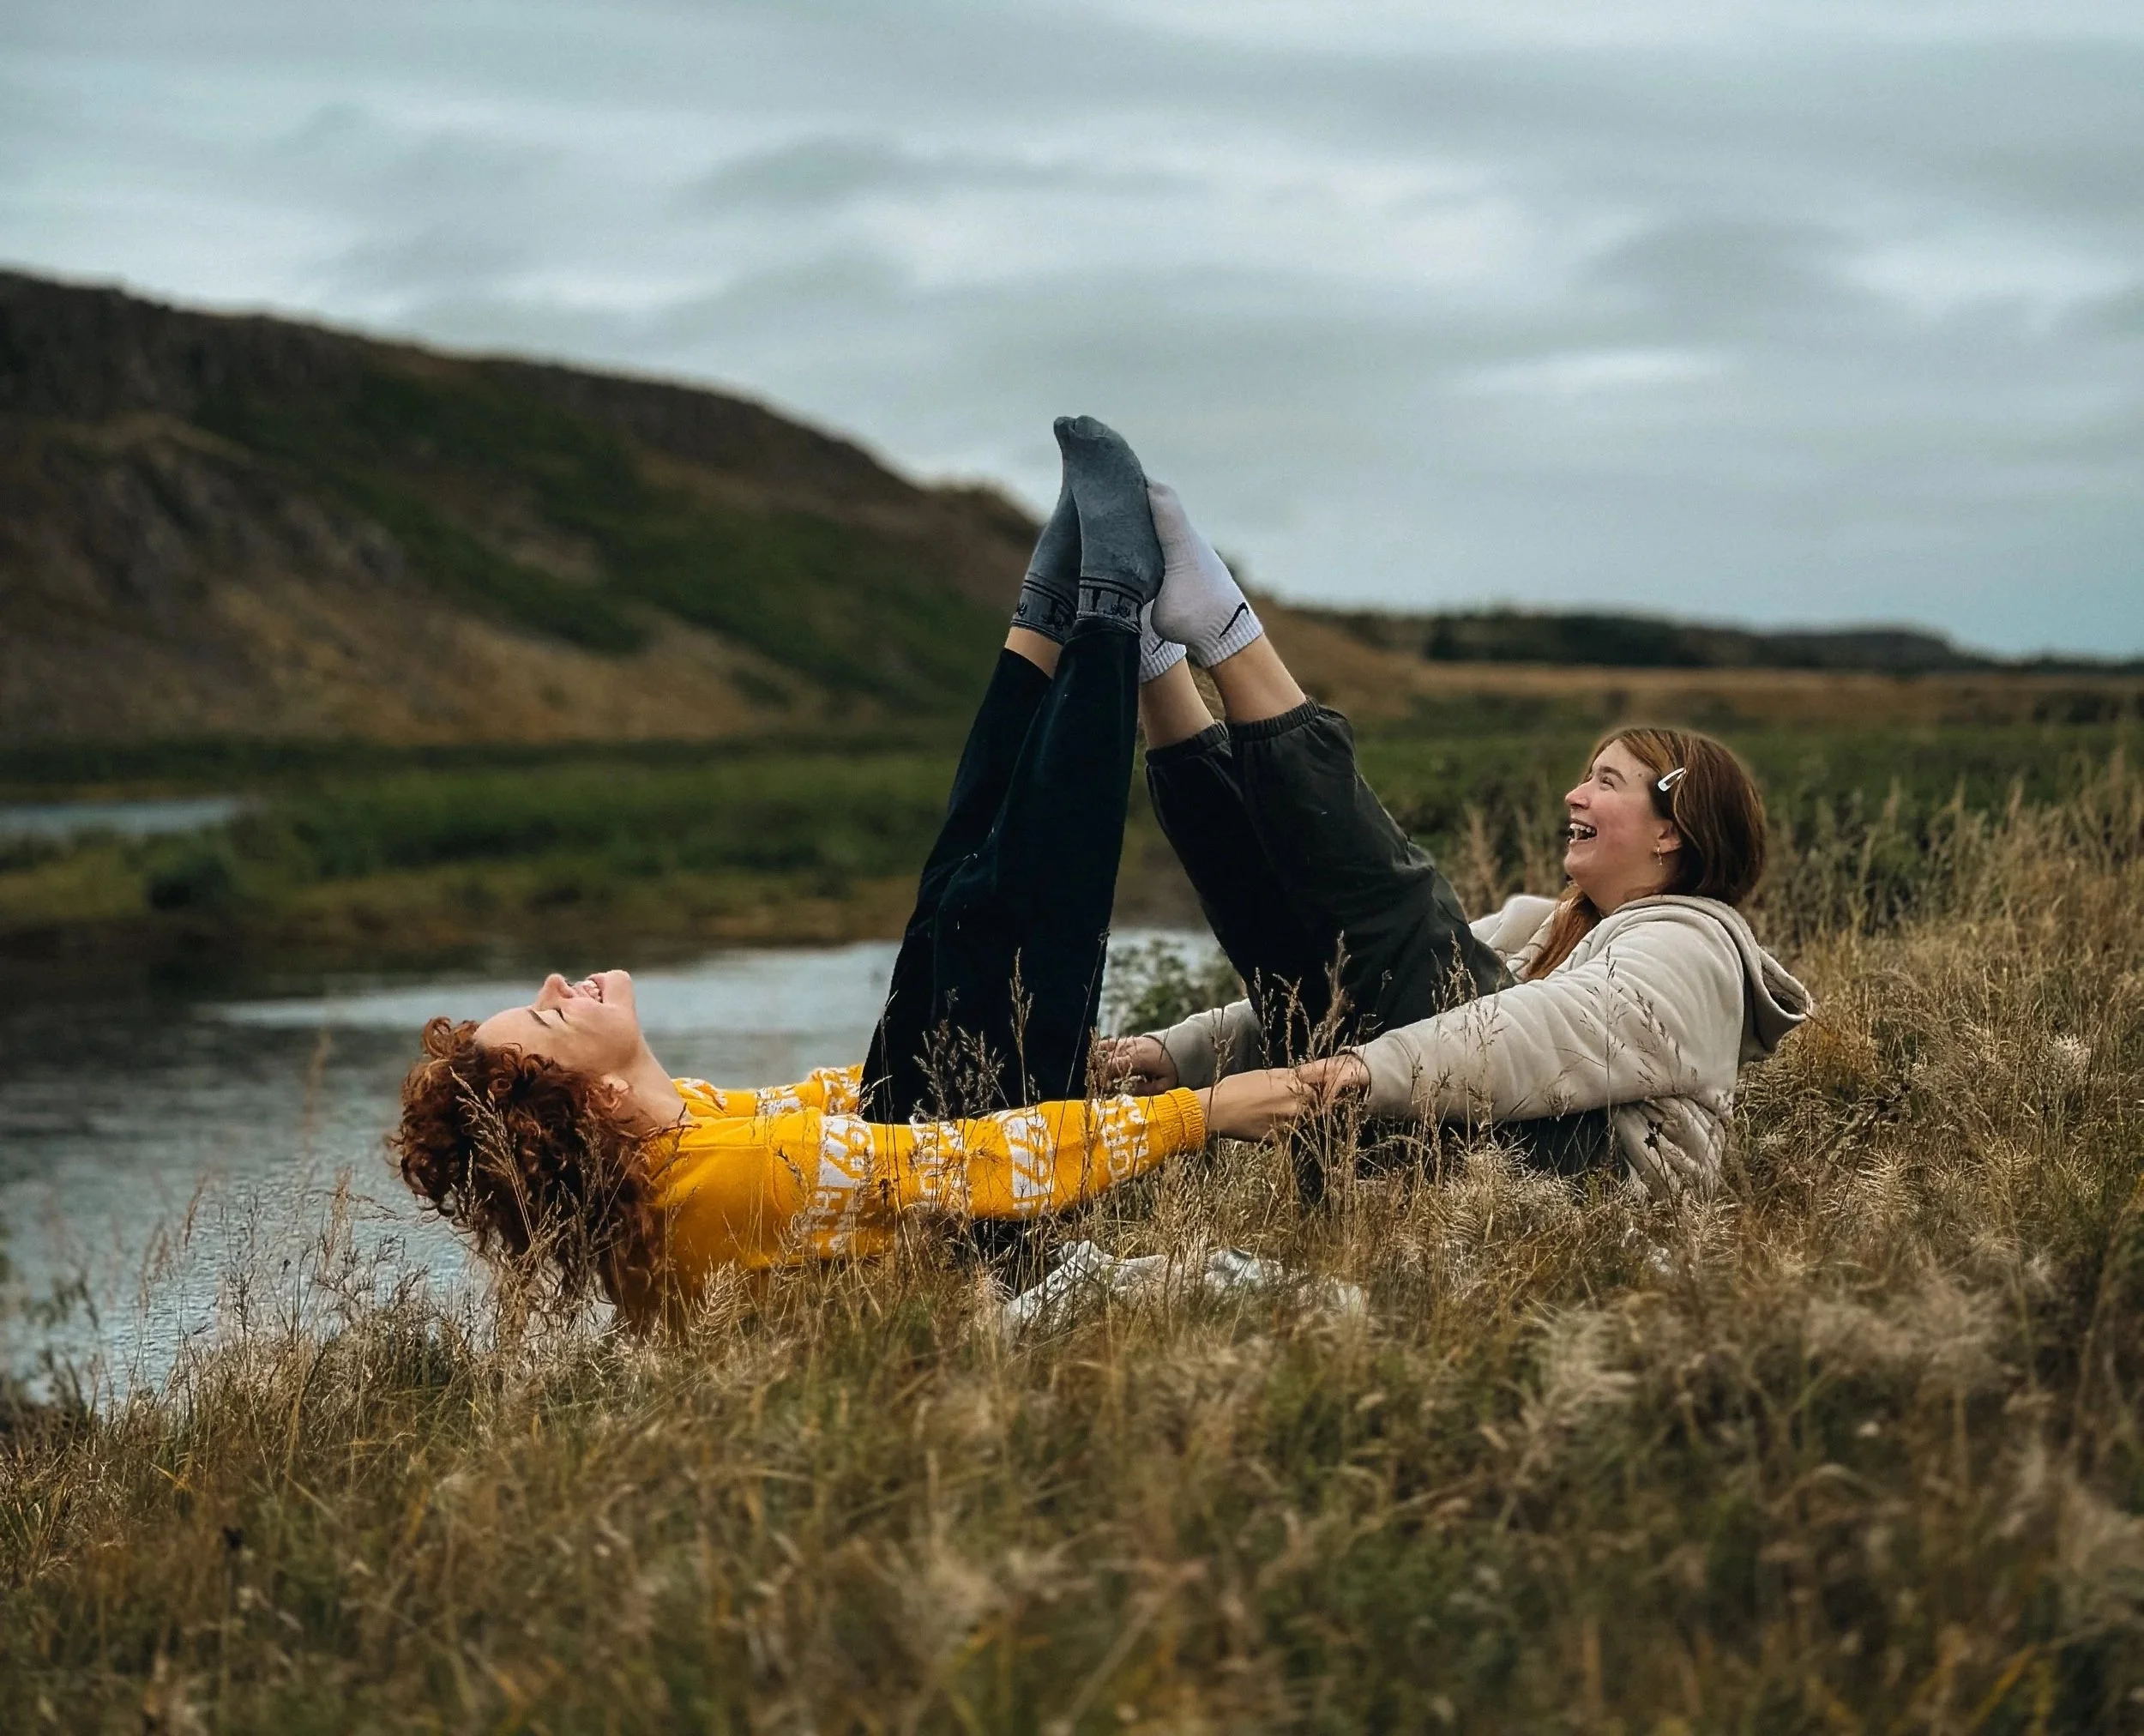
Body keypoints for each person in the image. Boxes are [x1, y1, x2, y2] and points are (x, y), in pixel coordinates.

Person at [392, 418, 1281, 1323]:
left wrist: (1080, 1070)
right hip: (995, 1281)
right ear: (601, 1094)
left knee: (945, 924)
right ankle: (1099, 616)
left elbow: (832, 1102)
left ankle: (1049, 628)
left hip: (952, 1232)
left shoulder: (681, 1130)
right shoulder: (713, 1186)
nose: (554, 980)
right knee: (1011, 923)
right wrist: (1203, 1111)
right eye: (548, 1012)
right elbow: (963, 1163)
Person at [1099, 483, 1812, 1199]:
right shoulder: (1540, 929)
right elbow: (1347, 984)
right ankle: (1158, 662)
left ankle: (1223, 628)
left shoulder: (1695, 948)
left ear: (1671, 833)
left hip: (1586, 1197)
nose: (1575, 795)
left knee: (1400, 922)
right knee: (1298, 929)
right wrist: (1182, 1053)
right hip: (1452, 1178)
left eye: (1607, 781)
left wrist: (1366, 1073)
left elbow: (1545, 1036)